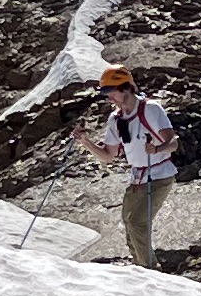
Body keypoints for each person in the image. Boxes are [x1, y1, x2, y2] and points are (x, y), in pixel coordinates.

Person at [76, 65, 179, 267]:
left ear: (125, 88)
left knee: (137, 222)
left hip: (160, 175)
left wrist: (157, 150)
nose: (108, 97)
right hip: (137, 177)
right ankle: (140, 264)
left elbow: (173, 143)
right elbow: (108, 156)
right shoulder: (116, 119)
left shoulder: (151, 109)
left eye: (109, 91)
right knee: (128, 221)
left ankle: (150, 270)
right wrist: (86, 142)